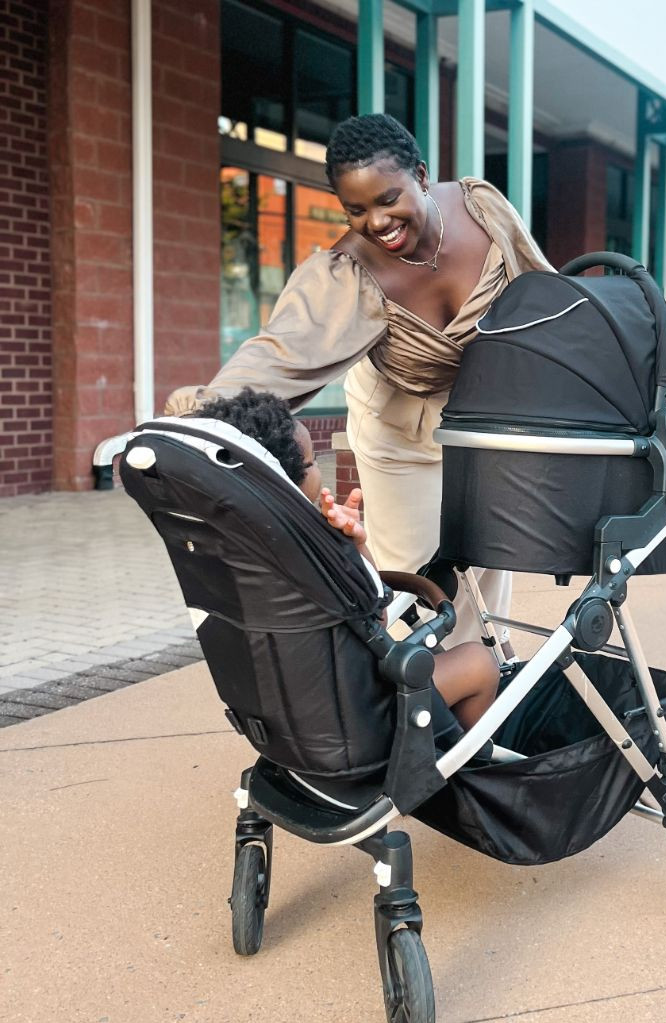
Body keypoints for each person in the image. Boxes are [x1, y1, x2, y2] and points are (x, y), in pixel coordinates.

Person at [167, 113, 553, 644]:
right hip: (403, 434)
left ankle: (486, 673)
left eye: (388, 199)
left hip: (485, 423)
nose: (376, 222)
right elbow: (276, 356)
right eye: (356, 210)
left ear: (421, 175)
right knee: (419, 583)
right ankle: (426, 685)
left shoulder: (481, 208)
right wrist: (196, 423)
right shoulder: (346, 273)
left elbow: (544, 292)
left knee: (487, 562)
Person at [191, 389, 498, 730]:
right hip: (355, 712)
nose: (317, 469)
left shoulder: (218, 554)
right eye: (312, 462)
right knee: (477, 662)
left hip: (277, 715)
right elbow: (378, 615)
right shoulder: (315, 550)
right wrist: (355, 546)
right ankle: (463, 755)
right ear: (284, 477)